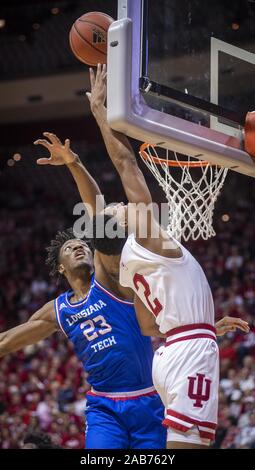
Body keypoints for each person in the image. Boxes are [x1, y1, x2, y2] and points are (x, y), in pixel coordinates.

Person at [84, 64, 250, 449]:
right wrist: (99, 111)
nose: (122, 206)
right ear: (124, 227)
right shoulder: (146, 241)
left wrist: (199, 323)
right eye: (117, 211)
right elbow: (126, 164)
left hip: (173, 350)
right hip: (186, 351)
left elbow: (147, 326)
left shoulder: (126, 267)